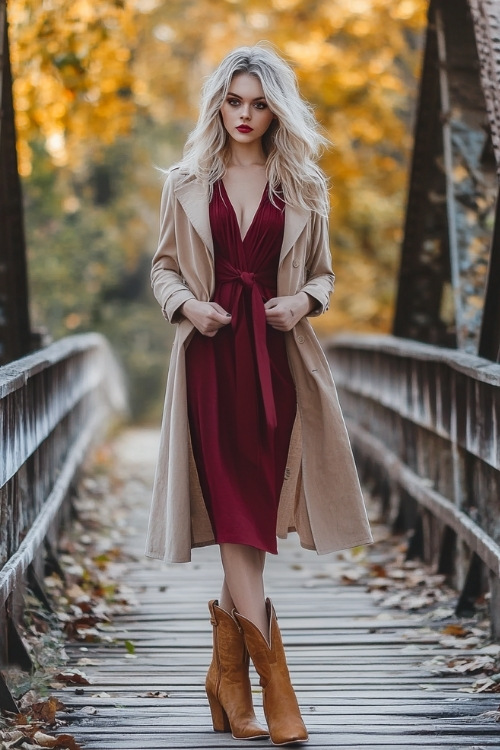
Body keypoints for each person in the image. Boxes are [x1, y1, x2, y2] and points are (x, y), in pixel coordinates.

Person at [145, 44, 372, 745]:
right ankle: (278, 688)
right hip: (211, 363)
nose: (245, 114)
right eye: (234, 100)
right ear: (218, 102)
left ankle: (225, 678)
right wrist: (189, 306)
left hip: (277, 366)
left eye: (260, 102)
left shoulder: (301, 184)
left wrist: (302, 301)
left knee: (253, 519)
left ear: (278, 109)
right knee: (239, 514)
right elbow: (162, 269)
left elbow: (325, 277)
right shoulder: (186, 181)